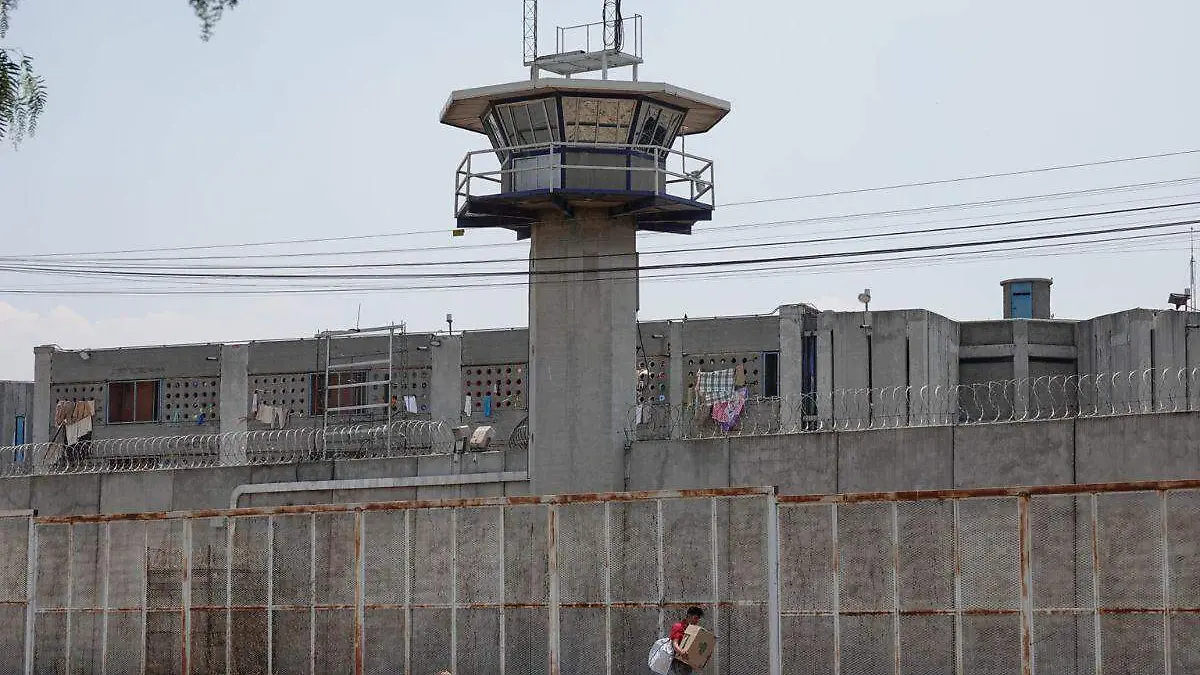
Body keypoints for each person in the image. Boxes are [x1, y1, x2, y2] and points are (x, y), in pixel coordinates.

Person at [668, 606, 705, 674]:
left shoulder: (693, 630)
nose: (696, 621)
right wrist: (681, 651)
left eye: (698, 619)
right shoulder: (679, 627)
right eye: (695, 618)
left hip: (687, 662)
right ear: (689, 616)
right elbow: (674, 644)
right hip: (678, 662)